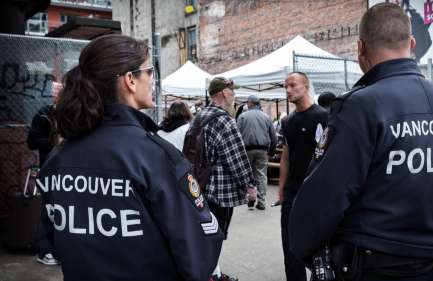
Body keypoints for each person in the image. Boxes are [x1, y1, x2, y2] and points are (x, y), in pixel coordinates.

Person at [289, 3, 433, 281]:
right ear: (411, 44)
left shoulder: (359, 107)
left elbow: (323, 200)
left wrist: (305, 250)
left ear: (360, 48)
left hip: (373, 264)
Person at [36, 35, 223, 281]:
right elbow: (198, 252)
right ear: (130, 80)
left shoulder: (58, 157)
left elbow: (51, 241)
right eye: (150, 71)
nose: (154, 80)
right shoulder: (156, 156)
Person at [193, 77, 257, 281]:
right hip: (220, 190)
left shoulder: (199, 116)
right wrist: (250, 185)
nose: (235, 95)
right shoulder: (224, 120)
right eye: (232, 91)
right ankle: (210, 275)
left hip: (198, 186)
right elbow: (236, 157)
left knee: (203, 233)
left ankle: (211, 272)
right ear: (223, 93)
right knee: (217, 235)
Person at [279, 72, 328, 281]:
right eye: (285, 86)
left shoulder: (324, 116)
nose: (288, 90)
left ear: (306, 86)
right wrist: (281, 190)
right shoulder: (288, 121)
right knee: (290, 248)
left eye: (293, 85)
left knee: (320, 246)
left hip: (318, 192)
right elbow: (286, 157)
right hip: (292, 192)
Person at [27, 82, 63, 266]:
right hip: (49, 168)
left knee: (64, 208)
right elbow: (32, 142)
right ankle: (46, 251)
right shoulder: (43, 114)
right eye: (57, 93)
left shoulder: (71, 114)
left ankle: (59, 249)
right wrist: (53, 141)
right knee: (49, 208)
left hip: (67, 169)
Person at [237, 95, 277, 210]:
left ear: (251, 103)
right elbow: (273, 136)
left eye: (247, 102)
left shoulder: (242, 116)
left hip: (247, 150)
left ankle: (250, 197)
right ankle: (262, 201)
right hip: (263, 149)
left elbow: (237, 135)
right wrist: (272, 151)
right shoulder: (266, 117)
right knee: (261, 174)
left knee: (247, 174)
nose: (246, 104)